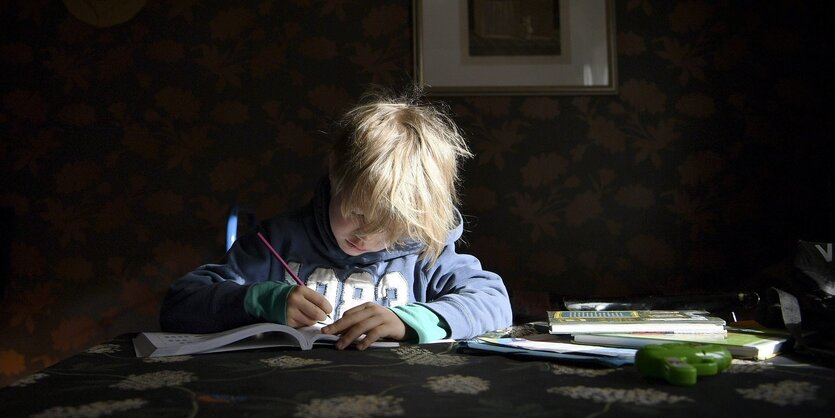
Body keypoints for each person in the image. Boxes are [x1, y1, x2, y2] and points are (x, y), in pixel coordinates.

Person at [159, 87, 513, 350]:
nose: (366, 237)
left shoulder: (425, 253)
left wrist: (409, 321)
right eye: (356, 213)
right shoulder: (277, 241)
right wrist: (260, 299)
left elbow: (493, 302)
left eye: (389, 228)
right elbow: (180, 304)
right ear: (335, 173)